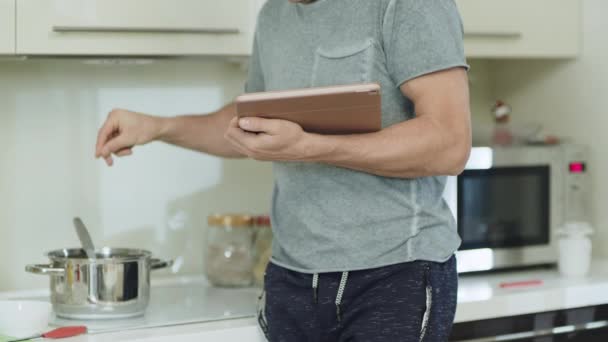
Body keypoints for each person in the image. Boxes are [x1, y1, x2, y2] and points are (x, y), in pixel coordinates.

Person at [95, 0, 471, 340]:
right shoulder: (274, 16)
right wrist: (159, 127)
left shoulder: (408, 5)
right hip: (290, 280)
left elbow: (449, 143)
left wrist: (311, 147)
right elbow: (249, 124)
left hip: (393, 275)